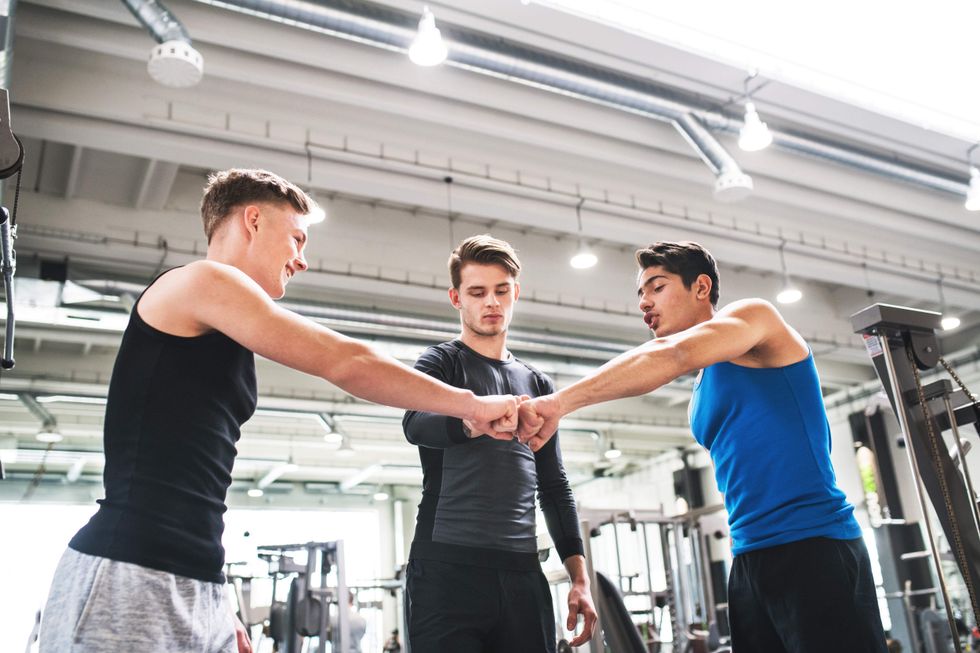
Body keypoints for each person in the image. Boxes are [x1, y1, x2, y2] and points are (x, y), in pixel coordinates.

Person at [38, 169, 520, 653]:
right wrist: (472, 405)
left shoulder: (226, 321)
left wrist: (217, 598)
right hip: (129, 573)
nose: (302, 260)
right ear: (253, 220)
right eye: (297, 238)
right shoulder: (199, 282)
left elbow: (194, 485)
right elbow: (346, 362)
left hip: (194, 577)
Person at [517, 241, 888, 653]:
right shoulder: (701, 386)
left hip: (815, 545)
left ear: (701, 287)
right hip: (749, 557)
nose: (644, 302)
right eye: (640, 293)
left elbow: (672, 354)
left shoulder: (756, 319)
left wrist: (558, 403)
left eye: (657, 287)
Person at [402, 235, 597, 653]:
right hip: (446, 571)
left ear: (515, 294)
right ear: (456, 298)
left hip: (522, 574)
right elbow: (415, 424)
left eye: (501, 291)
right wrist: (475, 419)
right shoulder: (441, 363)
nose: (491, 302)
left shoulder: (537, 383)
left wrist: (579, 578)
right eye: (477, 292)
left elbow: (554, 486)